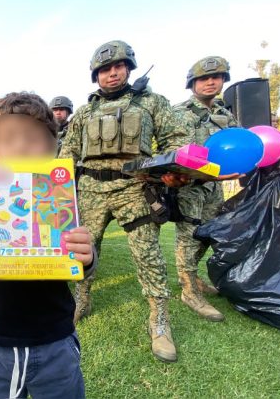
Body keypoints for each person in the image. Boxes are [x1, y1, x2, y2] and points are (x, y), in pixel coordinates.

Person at [0, 92, 96, 398]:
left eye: (34, 138)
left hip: (54, 338)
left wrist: (87, 256)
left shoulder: (60, 197)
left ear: (53, 149)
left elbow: (80, 265)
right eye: (8, 138)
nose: (21, 146)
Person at [59, 40, 191, 363]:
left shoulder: (151, 103)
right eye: (105, 69)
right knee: (82, 250)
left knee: (148, 254)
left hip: (134, 188)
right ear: (96, 75)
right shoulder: (84, 112)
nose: (112, 73)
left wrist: (171, 171)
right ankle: (81, 299)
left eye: (119, 66)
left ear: (129, 68)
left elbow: (177, 141)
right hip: (90, 190)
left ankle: (159, 320)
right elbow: (67, 154)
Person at [171, 57, 238, 322]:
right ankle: (189, 291)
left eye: (216, 77)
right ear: (192, 83)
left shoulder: (226, 114)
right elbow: (174, 150)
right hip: (190, 184)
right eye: (203, 78)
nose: (210, 82)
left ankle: (194, 279)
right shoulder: (179, 112)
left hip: (216, 185)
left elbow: (237, 144)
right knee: (189, 236)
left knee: (208, 234)